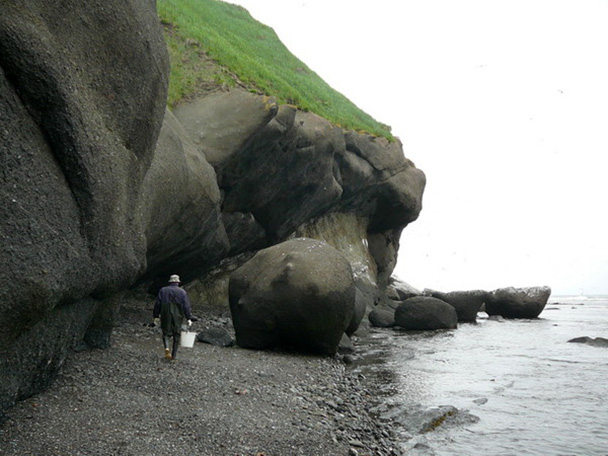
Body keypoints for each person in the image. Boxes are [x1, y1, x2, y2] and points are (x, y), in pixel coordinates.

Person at [153, 274, 195, 361]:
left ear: (170, 282)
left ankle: (167, 348)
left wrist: (156, 316)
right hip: (178, 314)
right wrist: (189, 318)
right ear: (178, 282)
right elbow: (186, 306)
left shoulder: (163, 290)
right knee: (176, 334)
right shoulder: (182, 292)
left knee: (165, 332)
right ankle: (174, 356)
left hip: (165, 313)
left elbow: (157, 304)